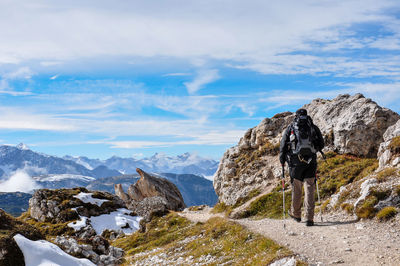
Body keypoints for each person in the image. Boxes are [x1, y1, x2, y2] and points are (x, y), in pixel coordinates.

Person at [279, 108, 324, 226]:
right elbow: (322, 144)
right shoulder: (313, 127)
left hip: (295, 162)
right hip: (311, 161)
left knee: (297, 188)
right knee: (309, 187)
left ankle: (296, 214)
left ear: (296, 116)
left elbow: (283, 144)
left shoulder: (292, 127)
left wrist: (282, 159)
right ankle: (310, 218)